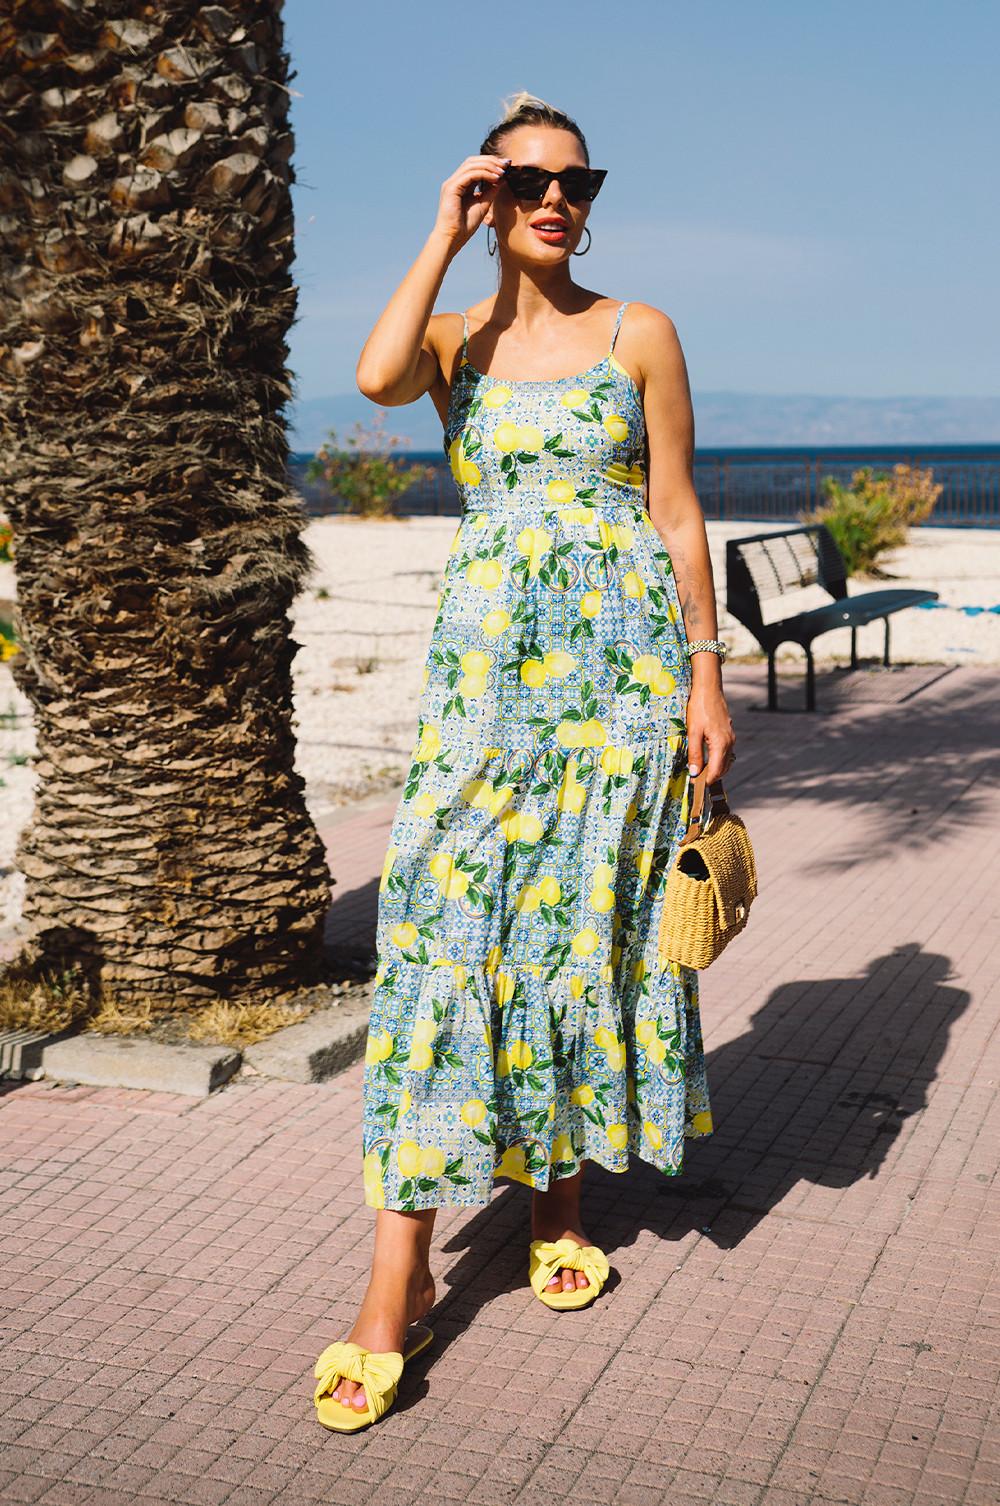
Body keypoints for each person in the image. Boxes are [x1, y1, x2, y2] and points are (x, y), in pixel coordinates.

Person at [313, 90, 736, 1431]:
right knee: (439, 935)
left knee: (580, 932)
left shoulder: (639, 331)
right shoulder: (456, 340)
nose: (559, 197)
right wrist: (442, 232)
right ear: (494, 198)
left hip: (619, 691)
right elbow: (373, 378)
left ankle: (559, 1199)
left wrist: (708, 666)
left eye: (577, 177)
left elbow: (675, 509)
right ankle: (401, 1274)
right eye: (528, 180)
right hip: (483, 693)